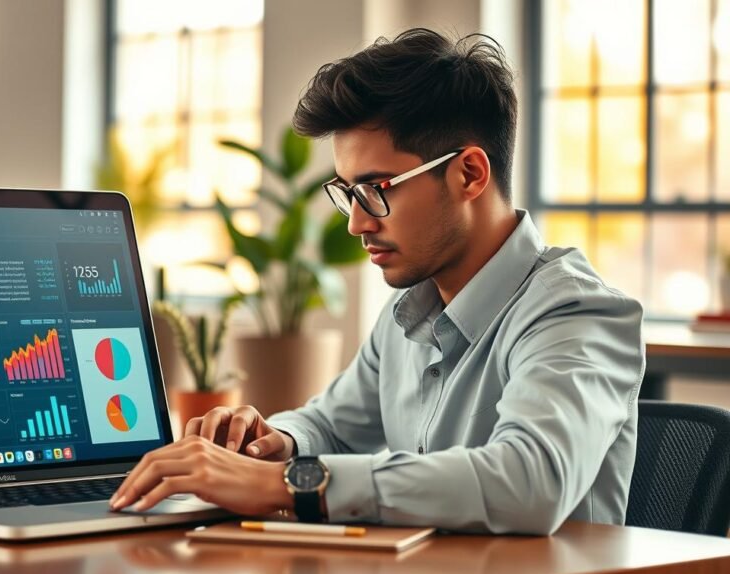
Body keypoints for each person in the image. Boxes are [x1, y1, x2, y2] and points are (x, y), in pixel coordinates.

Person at [109, 28, 644, 535]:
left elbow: (530, 481)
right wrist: (275, 444)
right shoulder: (411, 311)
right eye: (347, 193)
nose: (357, 223)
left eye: (375, 189)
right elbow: (333, 425)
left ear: (469, 174)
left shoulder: (577, 312)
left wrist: (287, 485)